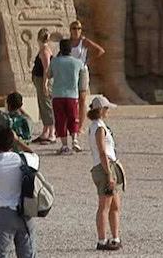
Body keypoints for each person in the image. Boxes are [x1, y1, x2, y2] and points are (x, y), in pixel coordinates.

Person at [0, 126, 40, 258]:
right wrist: (17, 141)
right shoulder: (23, 160)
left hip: (2, 214)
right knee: (28, 253)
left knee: (1, 254)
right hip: (25, 211)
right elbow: (34, 155)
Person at [87, 96, 124, 250]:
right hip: (104, 167)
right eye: (106, 108)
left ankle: (115, 237)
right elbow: (102, 151)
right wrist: (109, 173)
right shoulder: (99, 127)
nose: (108, 111)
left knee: (115, 204)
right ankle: (102, 240)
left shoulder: (97, 126)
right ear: (101, 110)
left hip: (106, 165)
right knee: (104, 205)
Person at [48, 40, 82, 153]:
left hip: (58, 94)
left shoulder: (55, 61)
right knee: (73, 118)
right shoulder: (77, 62)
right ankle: (75, 140)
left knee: (60, 119)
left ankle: (64, 145)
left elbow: (49, 75)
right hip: (72, 94)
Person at [66, 20, 104, 102]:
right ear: (70, 30)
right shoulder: (68, 42)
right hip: (70, 71)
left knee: (82, 98)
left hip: (81, 70)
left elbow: (100, 50)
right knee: (72, 97)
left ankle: (82, 115)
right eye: (74, 28)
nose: (77, 31)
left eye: (79, 28)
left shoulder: (83, 41)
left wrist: (89, 60)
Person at [29, 32, 55, 144]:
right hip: (40, 80)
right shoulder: (45, 49)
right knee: (43, 105)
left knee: (47, 106)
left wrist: (45, 84)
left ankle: (52, 133)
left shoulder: (45, 51)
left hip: (42, 81)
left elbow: (46, 69)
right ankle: (46, 131)